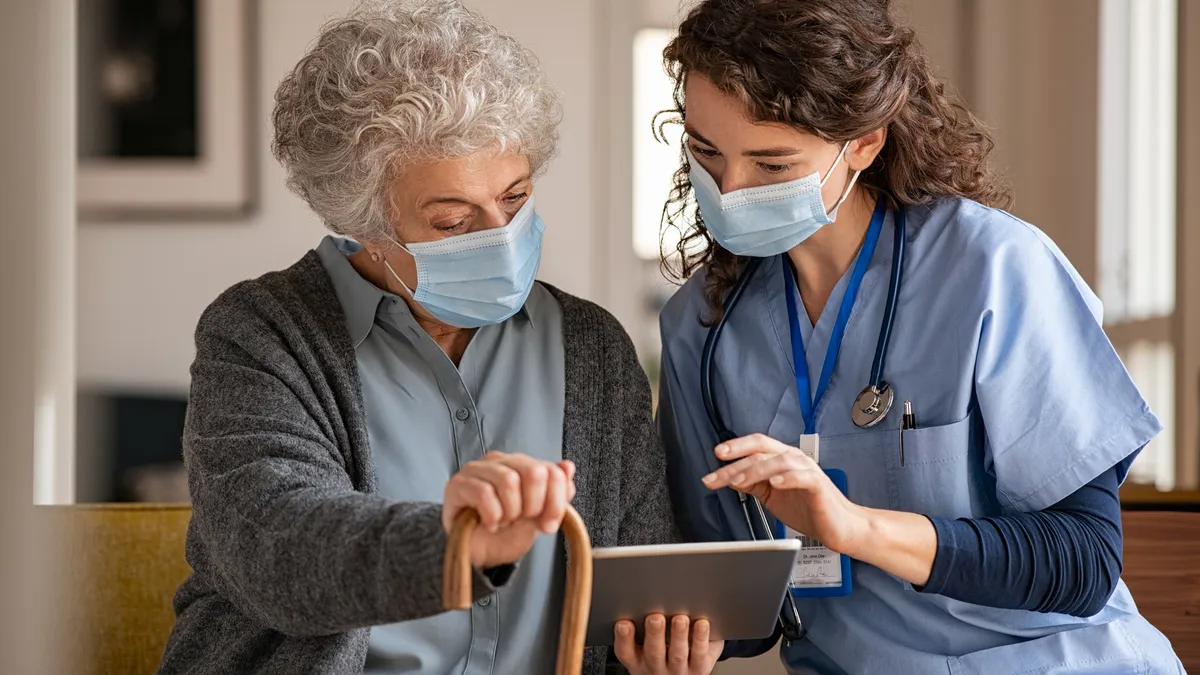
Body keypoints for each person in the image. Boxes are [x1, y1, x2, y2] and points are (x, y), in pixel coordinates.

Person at [156, 2, 720, 674]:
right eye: (453, 221)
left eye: (514, 198)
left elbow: (635, 587)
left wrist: (662, 649)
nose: (501, 236)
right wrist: (453, 540)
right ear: (362, 225)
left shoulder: (591, 346)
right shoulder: (261, 334)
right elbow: (276, 549)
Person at [653, 1, 1185, 673]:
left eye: (772, 165)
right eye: (706, 152)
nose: (729, 189)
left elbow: (1082, 558)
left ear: (864, 144)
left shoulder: (992, 269)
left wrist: (854, 526)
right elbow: (742, 607)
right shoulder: (702, 326)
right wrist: (670, 634)